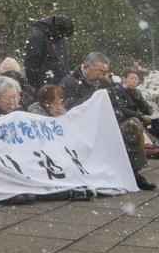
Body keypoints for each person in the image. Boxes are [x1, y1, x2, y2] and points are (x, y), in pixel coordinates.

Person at [60, 52, 156, 190]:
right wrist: (96, 96)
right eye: (100, 72)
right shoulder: (69, 82)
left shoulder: (104, 83)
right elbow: (71, 110)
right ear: (86, 67)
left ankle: (132, 172)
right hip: (83, 128)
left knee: (133, 124)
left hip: (107, 124)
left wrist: (116, 118)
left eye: (106, 72)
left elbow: (117, 107)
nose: (103, 75)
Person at [24, 16, 73, 88]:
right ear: (57, 29)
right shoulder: (38, 37)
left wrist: (67, 79)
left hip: (60, 85)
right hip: (45, 87)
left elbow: (64, 62)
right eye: (63, 35)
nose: (63, 37)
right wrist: (38, 85)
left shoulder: (59, 36)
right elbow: (31, 64)